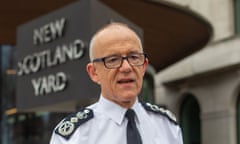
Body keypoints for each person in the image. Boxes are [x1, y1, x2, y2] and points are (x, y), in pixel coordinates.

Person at [49, 22, 183, 144]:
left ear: (143, 67)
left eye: (134, 57)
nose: (126, 67)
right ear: (94, 72)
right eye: (113, 60)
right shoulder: (74, 136)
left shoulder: (167, 126)